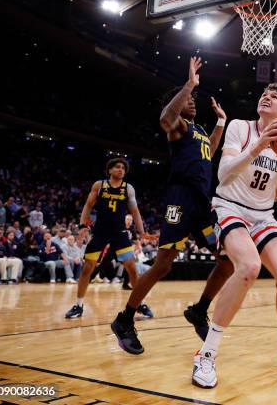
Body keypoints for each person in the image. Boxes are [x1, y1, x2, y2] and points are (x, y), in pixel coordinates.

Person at [187, 82, 277, 388]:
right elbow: (224, 172)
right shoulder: (240, 127)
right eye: (264, 94)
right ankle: (206, 353)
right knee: (249, 267)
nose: (266, 97)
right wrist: (258, 146)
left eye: (275, 97)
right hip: (229, 206)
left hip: (263, 215)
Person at [110, 57, 234, 351]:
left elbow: (210, 152)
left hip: (203, 203)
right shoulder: (177, 126)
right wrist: (189, 84)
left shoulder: (199, 131)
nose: (193, 101)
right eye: (188, 98)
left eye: (192, 97)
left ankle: (198, 309)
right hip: (180, 199)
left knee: (227, 261)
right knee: (163, 264)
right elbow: (166, 118)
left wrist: (220, 122)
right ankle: (125, 319)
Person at [64, 158, 155, 318]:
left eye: (123, 168)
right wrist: (82, 225)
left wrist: (142, 232)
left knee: (132, 269)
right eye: (117, 167)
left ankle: (139, 304)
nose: (121, 170)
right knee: (87, 269)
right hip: (100, 232)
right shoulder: (100, 185)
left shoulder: (128, 188)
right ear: (110, 170)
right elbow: (88, 206)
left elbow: (135, 212)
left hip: (120, 233)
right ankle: (78, 306)